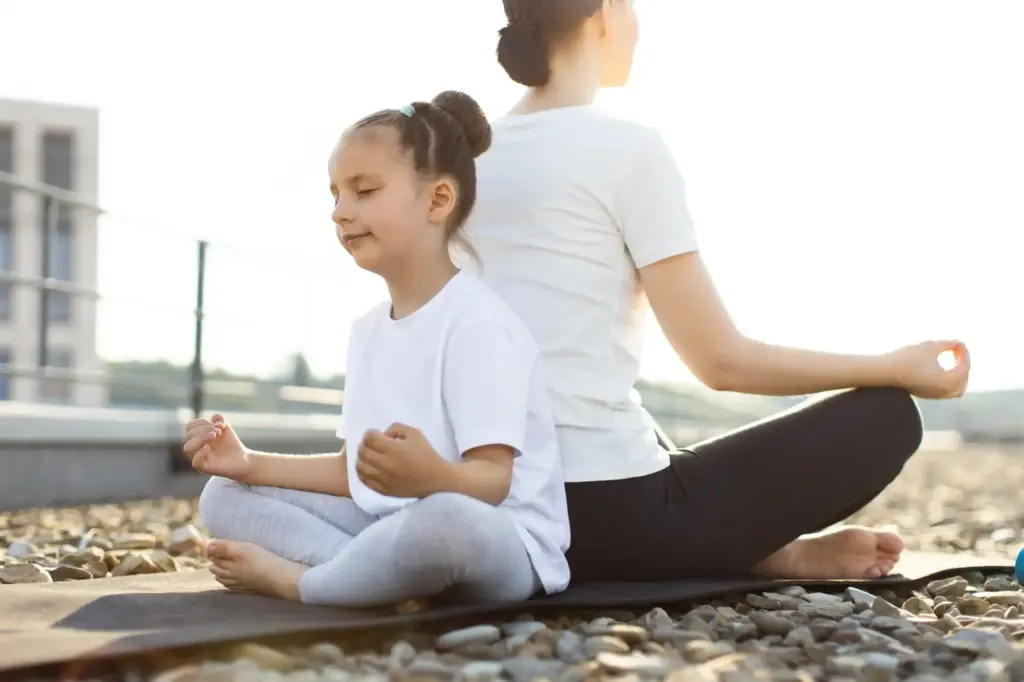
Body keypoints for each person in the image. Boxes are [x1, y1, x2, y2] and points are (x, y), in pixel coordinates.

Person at [458, 0, 971, 585]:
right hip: (608, 520)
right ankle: (753, 549)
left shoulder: (467, 158)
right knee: (885, 415)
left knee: (631, 420)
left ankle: (774, 553)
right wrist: (896, 367)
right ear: (605, 11)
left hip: (492, 507)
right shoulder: (627, 147)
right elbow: (720, 361)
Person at [181, 90, 570, 607]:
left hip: (495, 537)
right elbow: (352, 474)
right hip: (389, 523)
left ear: (437, 201)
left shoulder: (478, 324)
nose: (341, 213)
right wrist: (246, 461)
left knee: (440, 523)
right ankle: (376, 577)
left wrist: (436, 477)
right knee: (224, 497)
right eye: (335, 195)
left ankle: (299, 581)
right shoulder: (367, 330)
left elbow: (493, 482)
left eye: (363, 191)